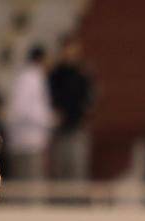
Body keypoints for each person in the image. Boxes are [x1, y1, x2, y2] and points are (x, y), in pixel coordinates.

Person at [48, 35, 95, 181]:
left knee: (77, 169)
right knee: (61, 169)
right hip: (59, 129)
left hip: (77, 127)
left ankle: (77, 202)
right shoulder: (55, 74)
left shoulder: (83, 74)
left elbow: (89, 99)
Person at [7, 46, 54, 181]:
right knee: (30, 183)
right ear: (42, 59)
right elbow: (22, 109)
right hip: (29, 141)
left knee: (27, 182)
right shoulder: (31, 78)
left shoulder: (26, 77)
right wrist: (48, 119)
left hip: (26, 140)